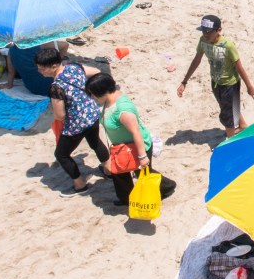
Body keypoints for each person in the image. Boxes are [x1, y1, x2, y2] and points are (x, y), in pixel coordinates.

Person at [85, 73, 176, 206]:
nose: (92, 97)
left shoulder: (123, 110)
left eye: (93, 94)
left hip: (138, 147)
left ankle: (168, 187)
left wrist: (142, 156)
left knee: (143, 174)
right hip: (121, 147)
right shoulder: (109, 99)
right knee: (119, 174)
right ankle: (126, 199)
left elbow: (136, 133)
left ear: (103, 92)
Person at [35, 48, 108, 197]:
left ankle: (80, 185)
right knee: (96, 143)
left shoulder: (56, 87)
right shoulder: (74, 67)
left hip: (77, 123)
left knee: (61, 154)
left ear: (54, 66)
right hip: (92, 113)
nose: (39, 71)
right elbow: (95, 71)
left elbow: (60, 115)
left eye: (42, 68)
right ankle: (109, 170)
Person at [177, 15, 254, 138]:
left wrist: (249, 86)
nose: (205, 34)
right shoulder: (203, 41)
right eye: (203, 31)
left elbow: (239, 67)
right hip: (215, 82)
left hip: (230, 84)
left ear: (218, 30)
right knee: (228, 107)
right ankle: (242, 125)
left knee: (227, 116)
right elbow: (197, 60)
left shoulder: (228, 46)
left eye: (209, 32)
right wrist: (184, 82)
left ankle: (230, 142)